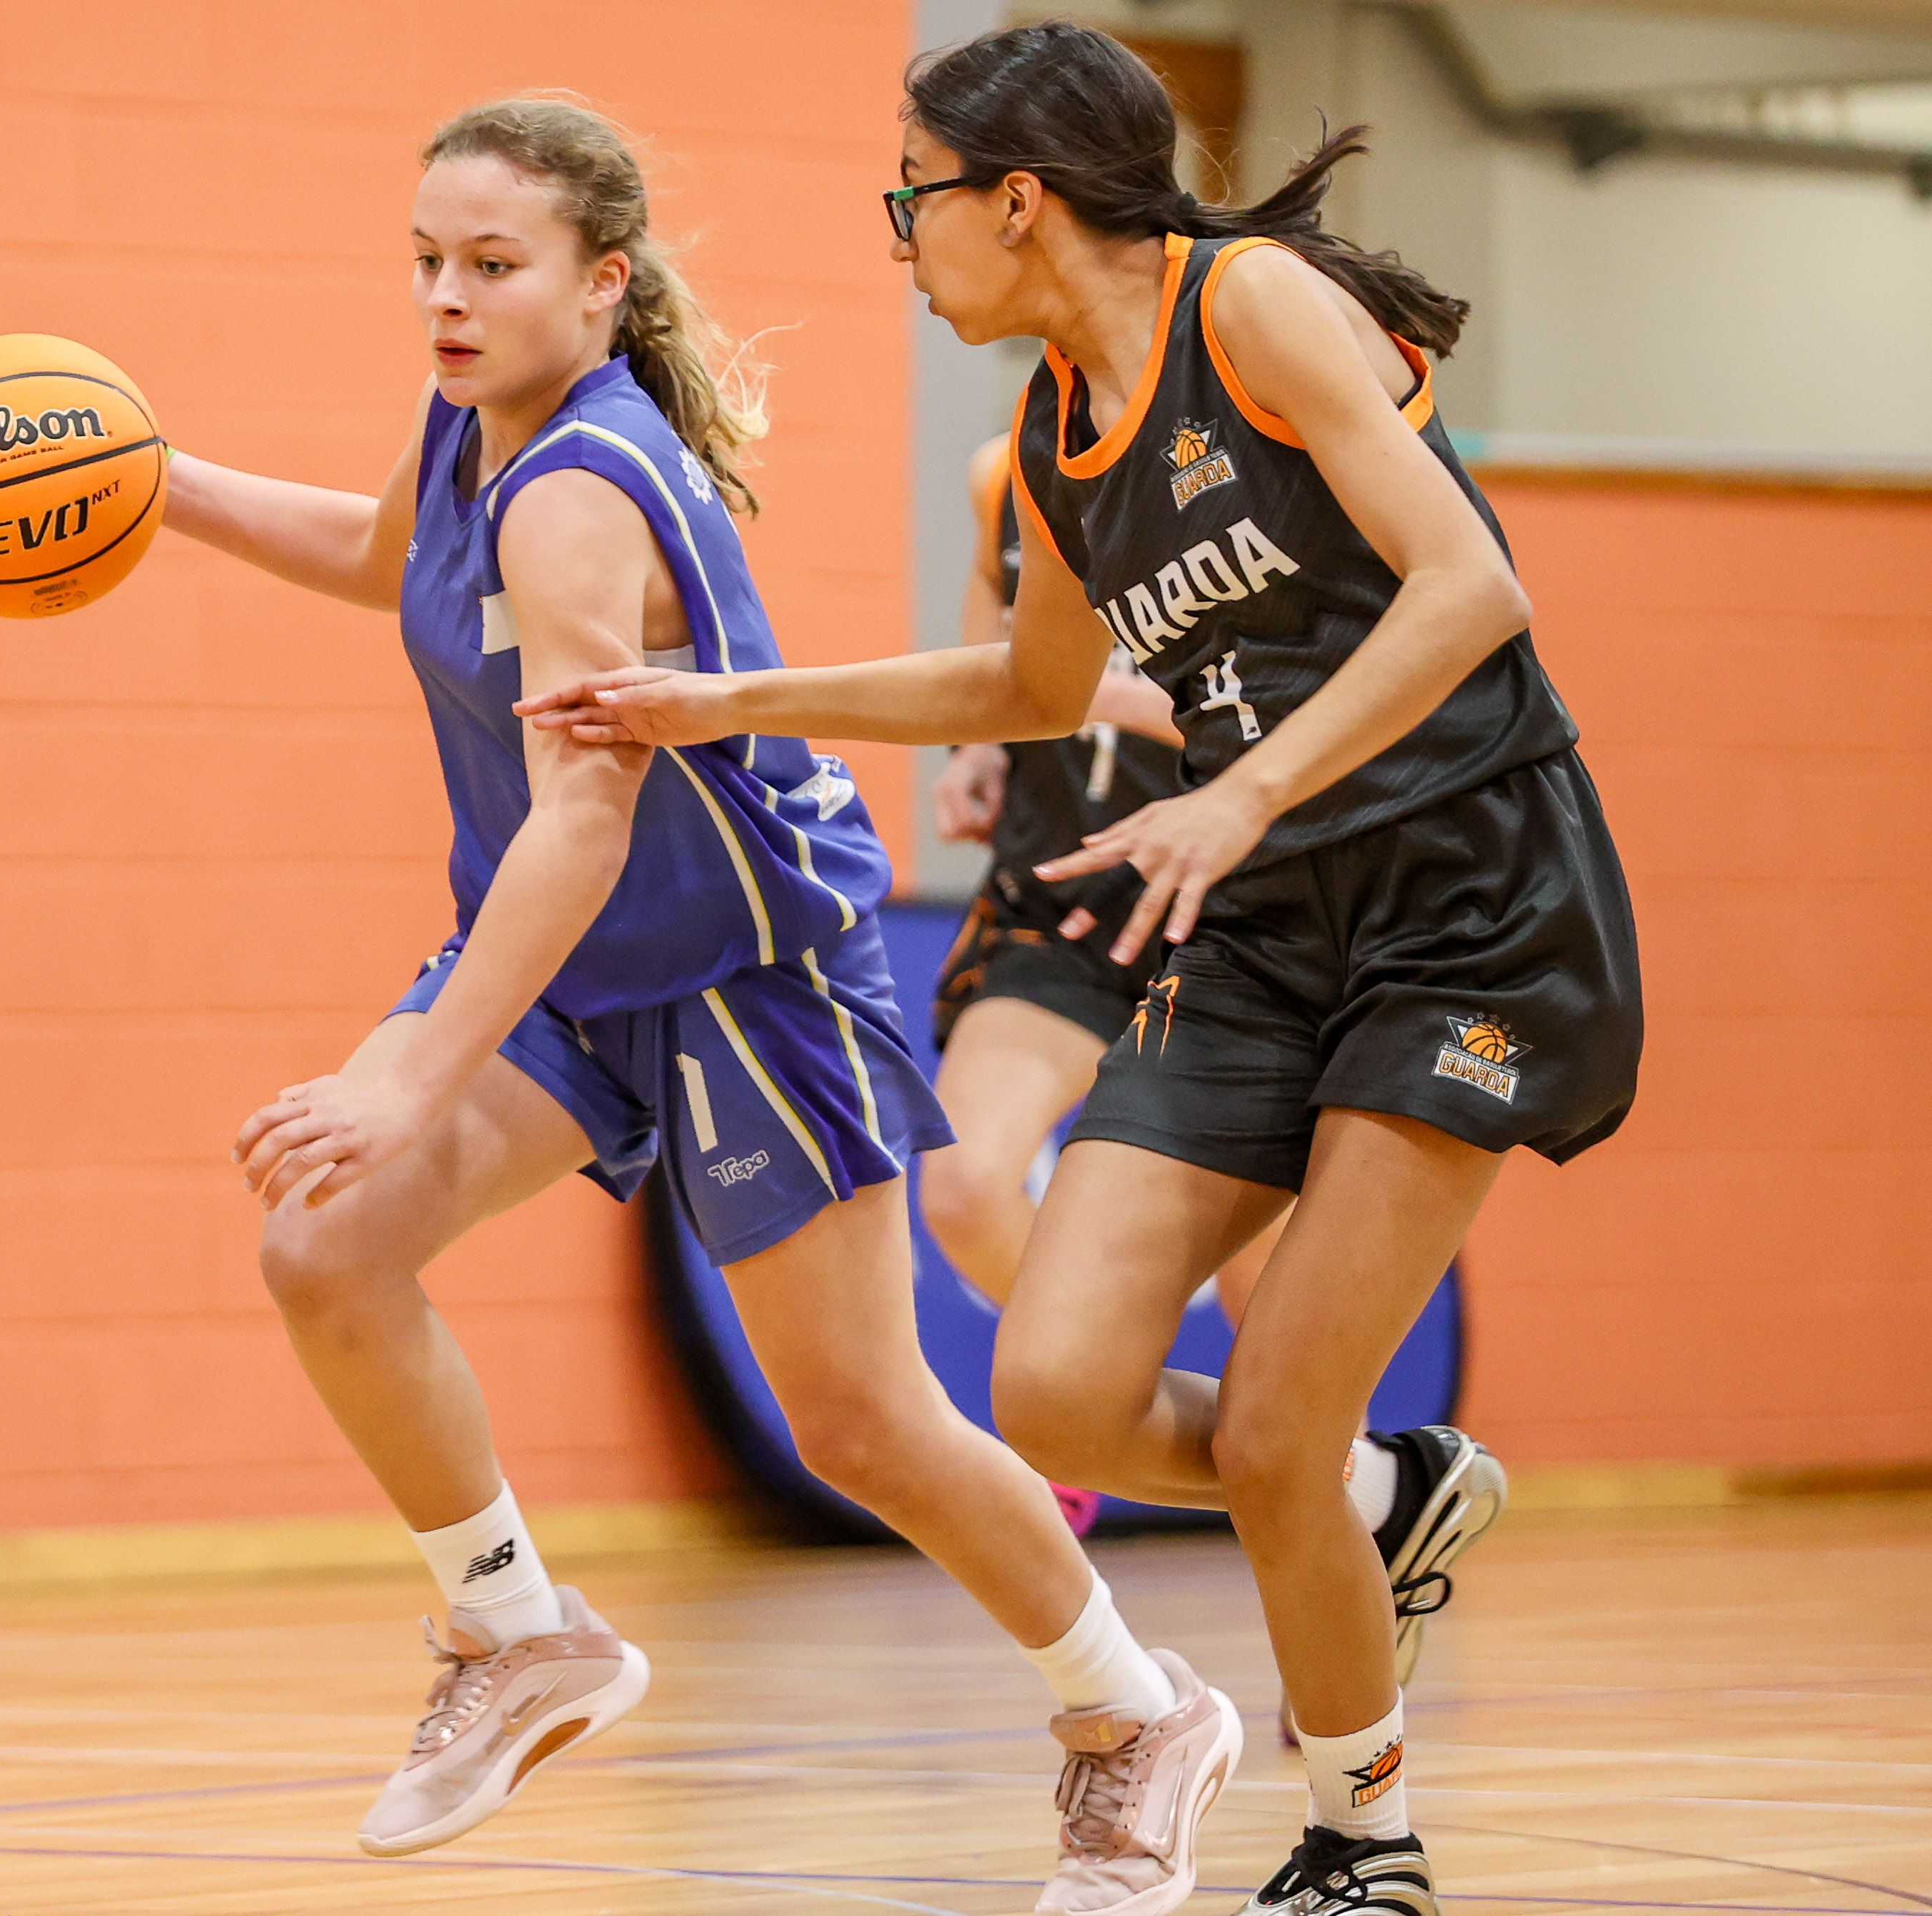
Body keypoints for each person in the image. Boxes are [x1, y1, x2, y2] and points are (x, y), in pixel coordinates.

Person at [522, 26, 1642, 1915]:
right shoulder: (1052, 428)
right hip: (1268, 929)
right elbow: (1032, 687)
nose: (898, 237)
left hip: (1469, 902)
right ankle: (1384, 1495)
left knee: (1272, 1421)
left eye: (912, 196)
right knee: (1051, 1384)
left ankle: (1360, 1833)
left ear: (1019, 199)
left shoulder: (1251, 305)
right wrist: (731, 697)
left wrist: (1248, 786)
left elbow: (1473, 586)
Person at [166, 96, 1244, 1911]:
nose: (446, 297)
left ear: (601, 284)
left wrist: (412, 1074)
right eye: (426, 260)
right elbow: (380, 555)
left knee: (864, 1423)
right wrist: (160, 484)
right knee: (327, 1241)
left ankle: (1137, 1708)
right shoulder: (469, 426)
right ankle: (518, 1627)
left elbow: (583, 820)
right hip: (578, 961)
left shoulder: (579, 489)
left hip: (747, 971)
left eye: (490, 264)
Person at [917, 433, 1282, 1368]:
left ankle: (1319, 1448)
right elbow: (992, 594)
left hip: (1234, 912)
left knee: (1264, 1263)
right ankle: (1110, 1394)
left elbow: (1307, 711)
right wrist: (979, 745)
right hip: (1063, 901)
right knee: (964, 1185)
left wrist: (1093, 695)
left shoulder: (1255, 471)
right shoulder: (1005, 469)